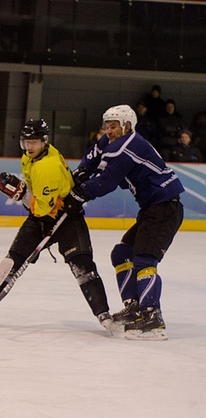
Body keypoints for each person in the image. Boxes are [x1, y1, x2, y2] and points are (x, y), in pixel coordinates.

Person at [0, 119, 112, 331]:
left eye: (34, 142)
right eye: (26, 142)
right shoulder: (29, 158)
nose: (29, 147)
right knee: (12, 261)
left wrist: (20, 194)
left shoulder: (48, 167)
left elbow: (41, 208)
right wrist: (21, 190)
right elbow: (38, 204)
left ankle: (104, 314)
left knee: (83, 265)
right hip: (41, 218)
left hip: (66, 218)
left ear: (44, 142)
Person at [64, 105, 185, 340]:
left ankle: (152, 318)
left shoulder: (126, 146)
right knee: (122, 254)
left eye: (113, 126)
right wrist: (81, 172)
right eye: (106, 126)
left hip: (164, 208)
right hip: (154, 209)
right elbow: (95, 152)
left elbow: (107, 181)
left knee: (144, 259)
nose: (109, 131)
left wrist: (79, 193)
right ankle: (134, 308)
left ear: (127, 125)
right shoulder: (117, 141)